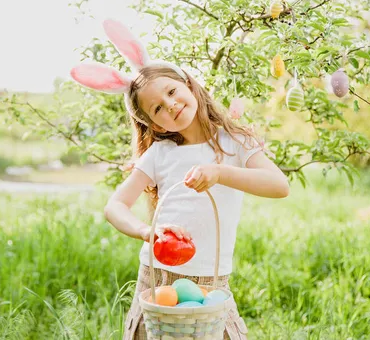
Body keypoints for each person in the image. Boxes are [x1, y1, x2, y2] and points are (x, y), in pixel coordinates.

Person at [70, 19, 290, 339]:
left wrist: (220, 172)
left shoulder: (234, 141)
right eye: (158, 108)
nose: (171, 105)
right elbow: (115, 206)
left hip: (209, 280)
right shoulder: (159, 153)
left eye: (172, 91)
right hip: (157, 277)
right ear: (155, 125)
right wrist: (147, 232)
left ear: (188, 82)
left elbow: (279, 186)